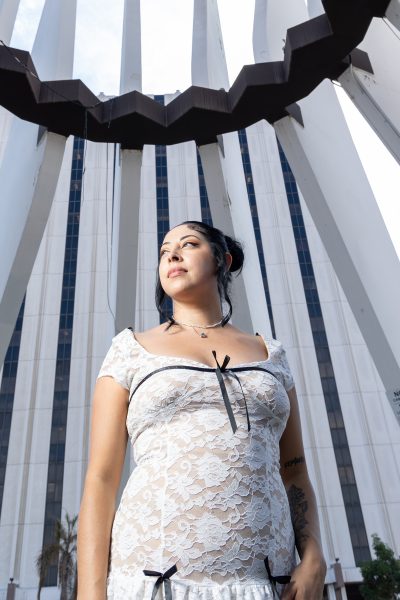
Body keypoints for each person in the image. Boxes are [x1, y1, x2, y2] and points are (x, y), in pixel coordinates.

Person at [77, 220, 327, 599]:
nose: (172, 254)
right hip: (156, 582)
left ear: (222, 261)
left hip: (264, 583)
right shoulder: (129, 350)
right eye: (164, 251)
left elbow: (294, 471)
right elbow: (101, 480)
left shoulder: (271, 355)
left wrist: (313, 557)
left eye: (189, 244)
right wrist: (90, 595)